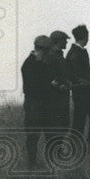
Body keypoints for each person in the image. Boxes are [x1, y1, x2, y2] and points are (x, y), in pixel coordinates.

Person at [21, 36, 62, 168]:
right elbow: (32, 88)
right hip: (34, 107)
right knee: (33, 138)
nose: (49, 53)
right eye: (48, 50)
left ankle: (53, 163)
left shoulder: (41, 63)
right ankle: (31, 166)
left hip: (44, 107)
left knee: (50, 134)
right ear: (43, 50)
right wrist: (52, 86)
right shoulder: (28, 64)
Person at [66, 24, 90, 150]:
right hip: (84, 92)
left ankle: (79, 149)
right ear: (85, 36)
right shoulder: (75, 53)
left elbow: (86, 70)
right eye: (87, 36)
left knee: (80, 121)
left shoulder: (79, 51)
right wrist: (89, 82)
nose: (88, 38)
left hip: (83, 92)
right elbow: (75, 74)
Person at [47, 30, 72, 129]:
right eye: (64, 40)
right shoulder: (51, 56)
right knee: (57, 128)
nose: (66, 42)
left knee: (63, 128)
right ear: (58, 41)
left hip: (63, 97)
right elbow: (49, 78)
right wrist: (59, 86)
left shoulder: (59, 55)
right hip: (55, 99)